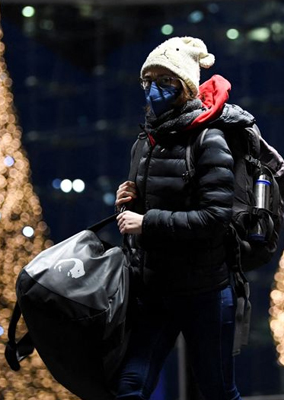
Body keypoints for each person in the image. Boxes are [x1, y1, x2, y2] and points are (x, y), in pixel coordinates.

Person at [114, 36, 248, 400]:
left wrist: (148, 222)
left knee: (217, 392)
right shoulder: (145, 143)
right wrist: (127, 205)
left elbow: (216, 218)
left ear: (186, 87)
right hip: (156, 290)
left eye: (165, 81)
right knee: (129, 387)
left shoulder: (209, 140)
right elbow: (142, 214)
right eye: (148, 80)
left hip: (205, 291)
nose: (154, 89)